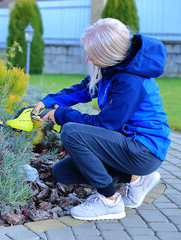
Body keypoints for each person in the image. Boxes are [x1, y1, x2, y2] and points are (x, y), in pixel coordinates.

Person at [33, 18, 171, 221]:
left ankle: (110, 202)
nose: (88, 59)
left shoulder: (131, 81)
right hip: (125, 144)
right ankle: (137, 179)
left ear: (109, 54)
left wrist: (61, 115)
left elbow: (105, 124)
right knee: (63, 172)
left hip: (143, 151)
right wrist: (48, 101)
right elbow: (84, 89)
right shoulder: (113, 68)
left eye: (93, 54)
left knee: (72, 132)